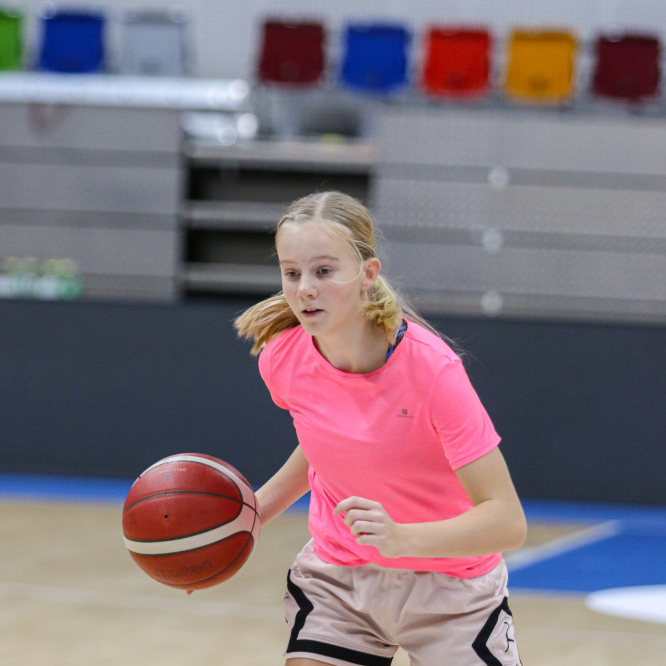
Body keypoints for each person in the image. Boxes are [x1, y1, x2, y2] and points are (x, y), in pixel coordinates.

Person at [235, 191, 527, 666]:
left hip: (452, 587)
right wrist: (250, 516)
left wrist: (402, 539)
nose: (304, 288)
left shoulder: (433, 372)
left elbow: (508, 522)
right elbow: (325, 442)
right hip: (340, 578)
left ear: (368, 273)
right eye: (292, 273)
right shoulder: (282, 358)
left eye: (323, 271)